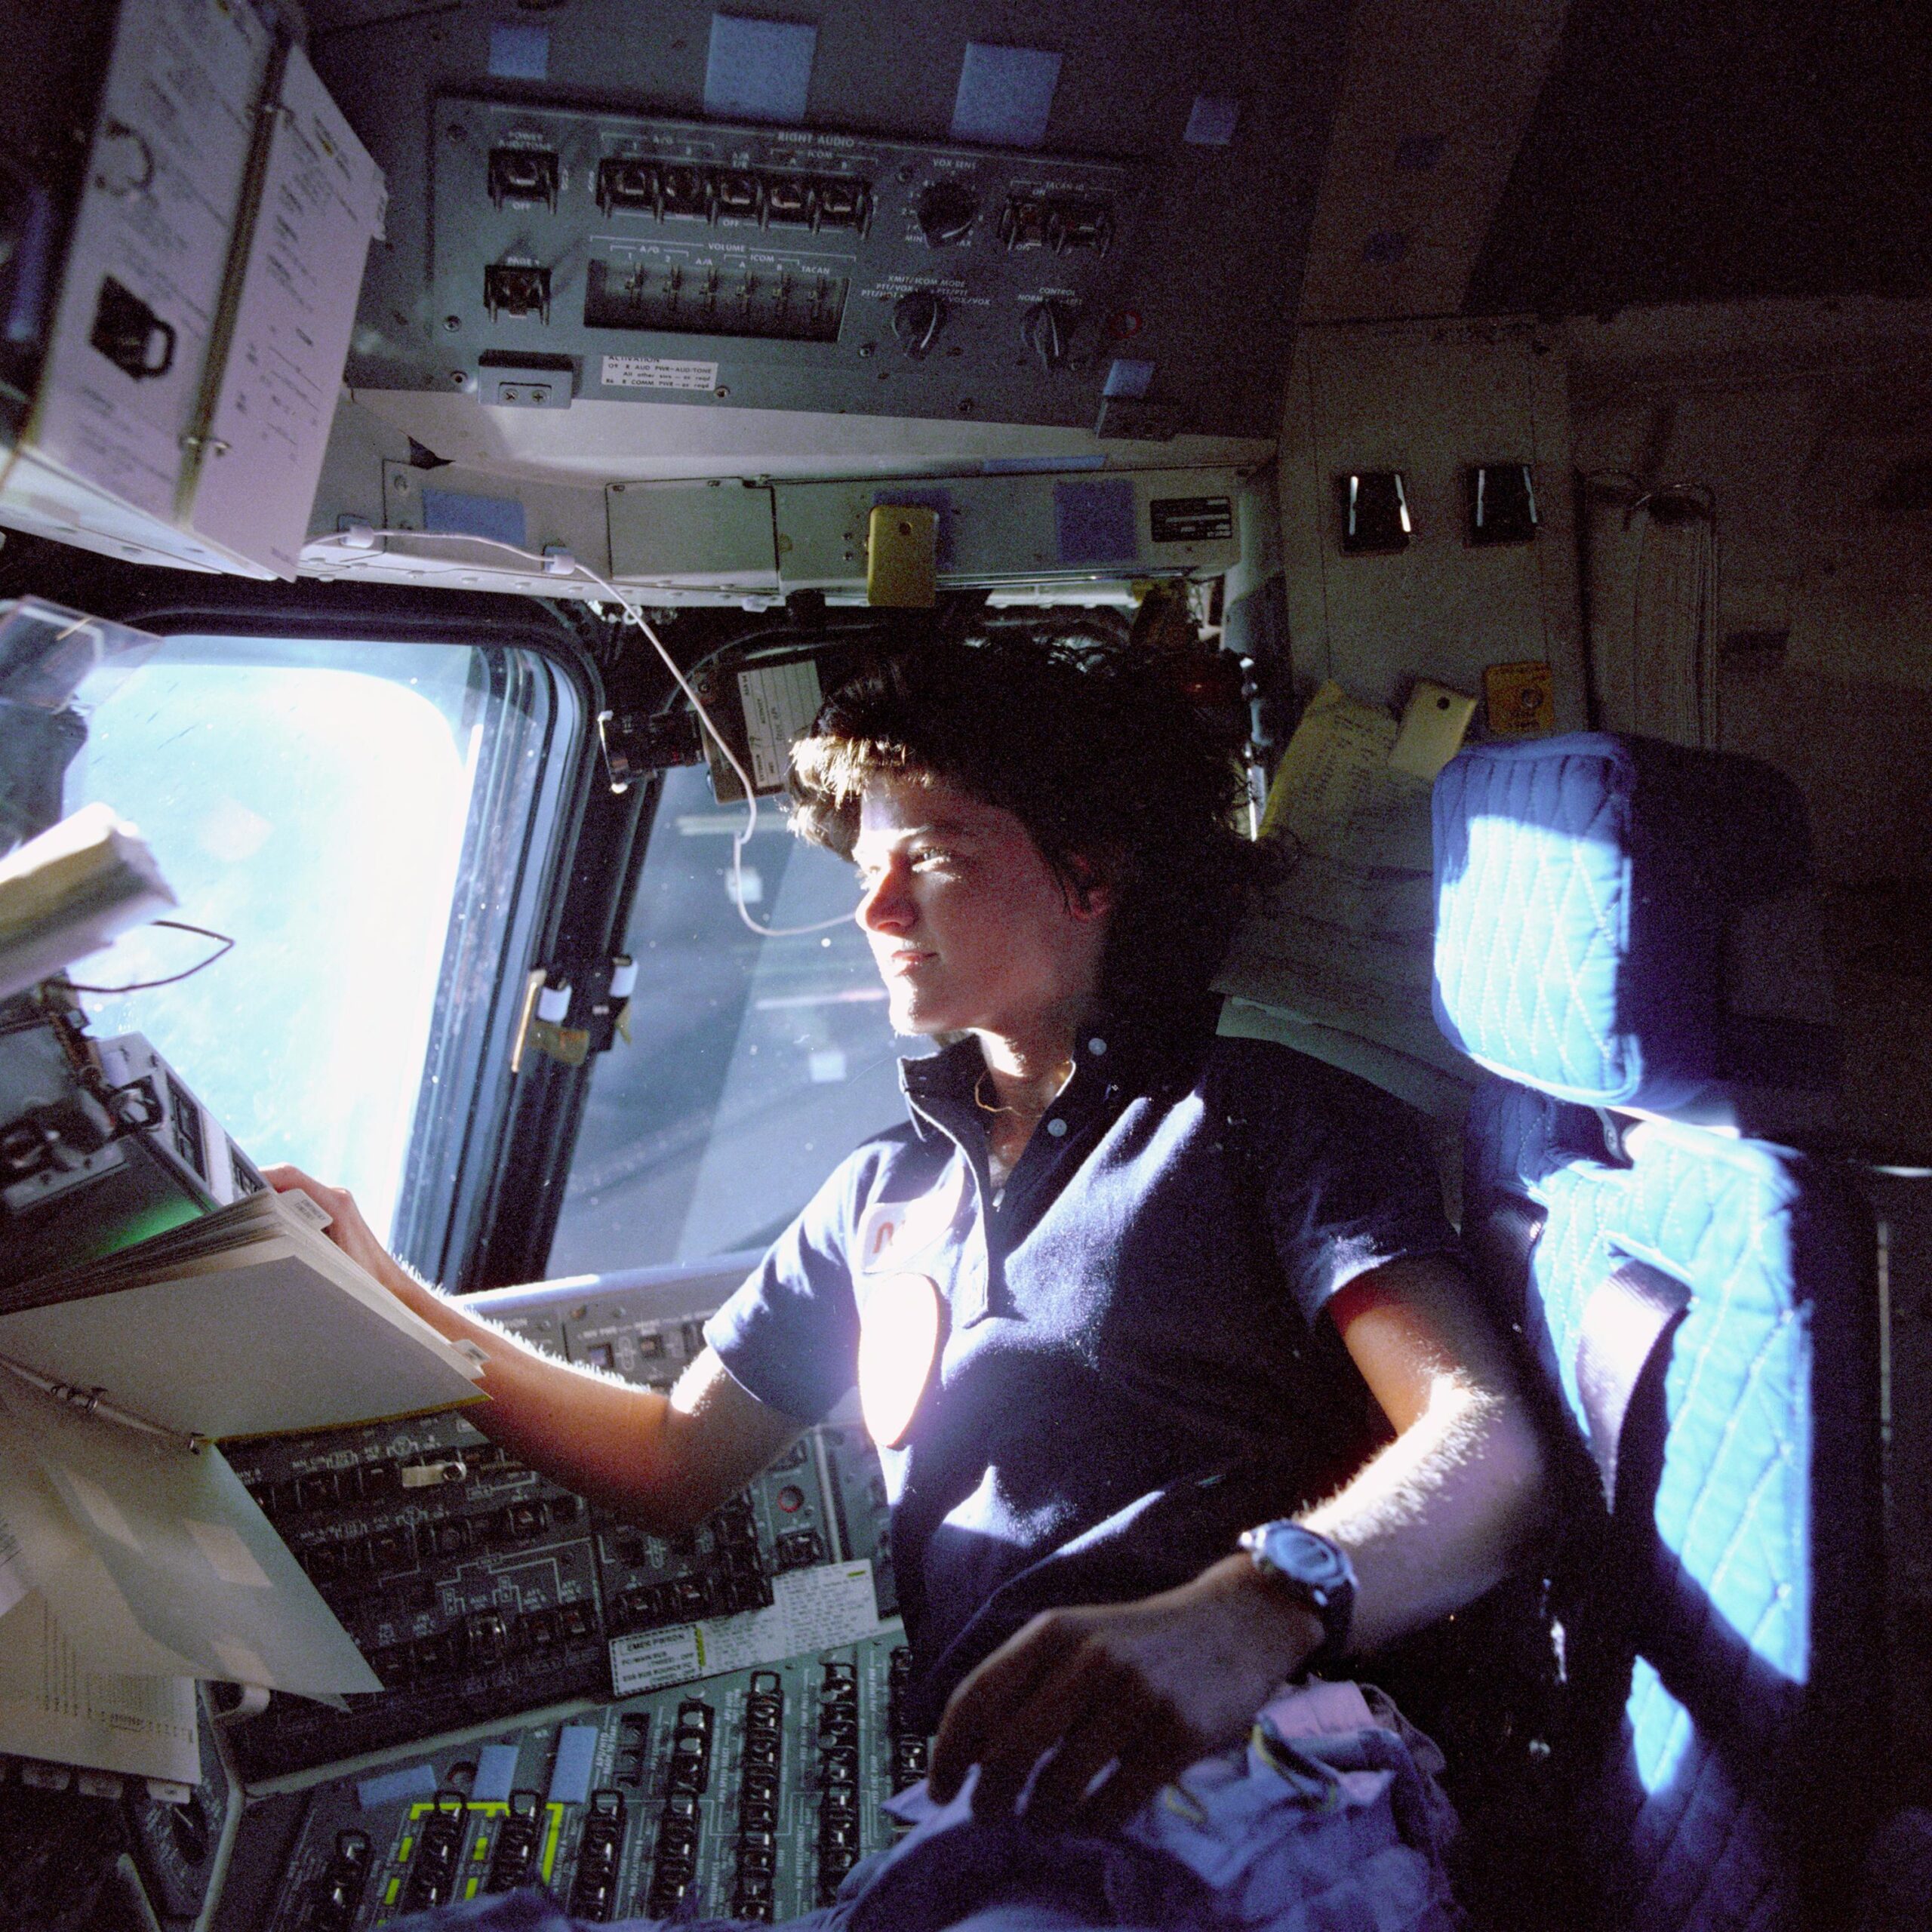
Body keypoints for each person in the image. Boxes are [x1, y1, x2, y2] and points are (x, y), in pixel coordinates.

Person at [269, 631, 1546, 1859]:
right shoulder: (880, 1191)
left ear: (1090, 877)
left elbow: (1486, 1449)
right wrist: (382, 1290)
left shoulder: (1266, 1121)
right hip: (1001, 1797)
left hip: (1264, 1759)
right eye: (867, 865)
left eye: (931, 856)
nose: (874, 906)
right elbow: (669, 1461)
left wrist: (1257, 1611)